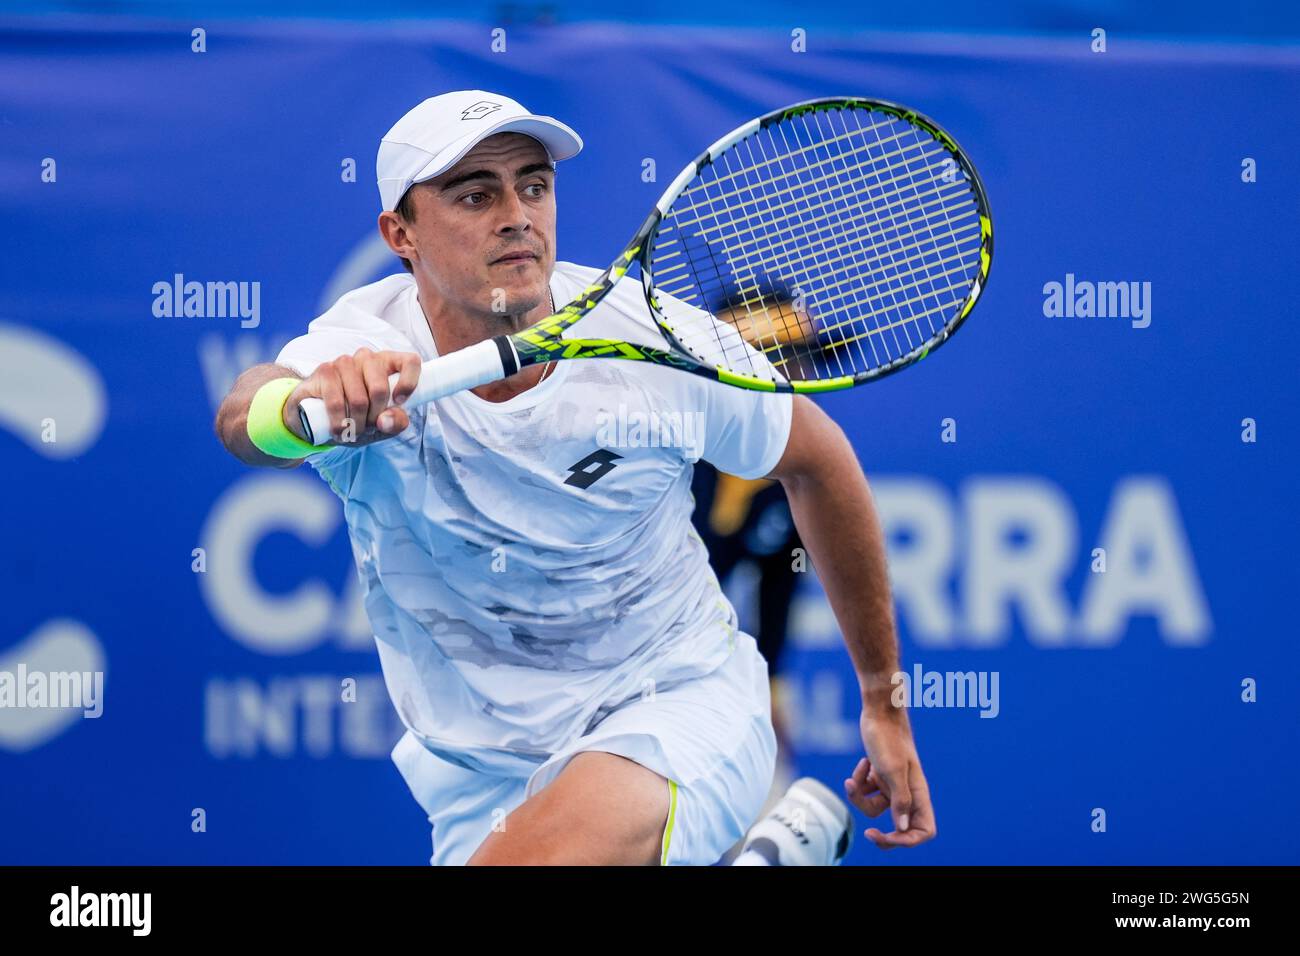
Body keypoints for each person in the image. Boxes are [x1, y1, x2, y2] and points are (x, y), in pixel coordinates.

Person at [213, 89, 935, 865]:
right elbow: (241, 417)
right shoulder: (365, 343)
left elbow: (819, 463)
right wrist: (301, 407)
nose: (517, 214)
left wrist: (882, 702)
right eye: (474, 194)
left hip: (675, 700)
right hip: (479, 773)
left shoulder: (660, 343)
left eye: (533, 185)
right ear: (401, 233)